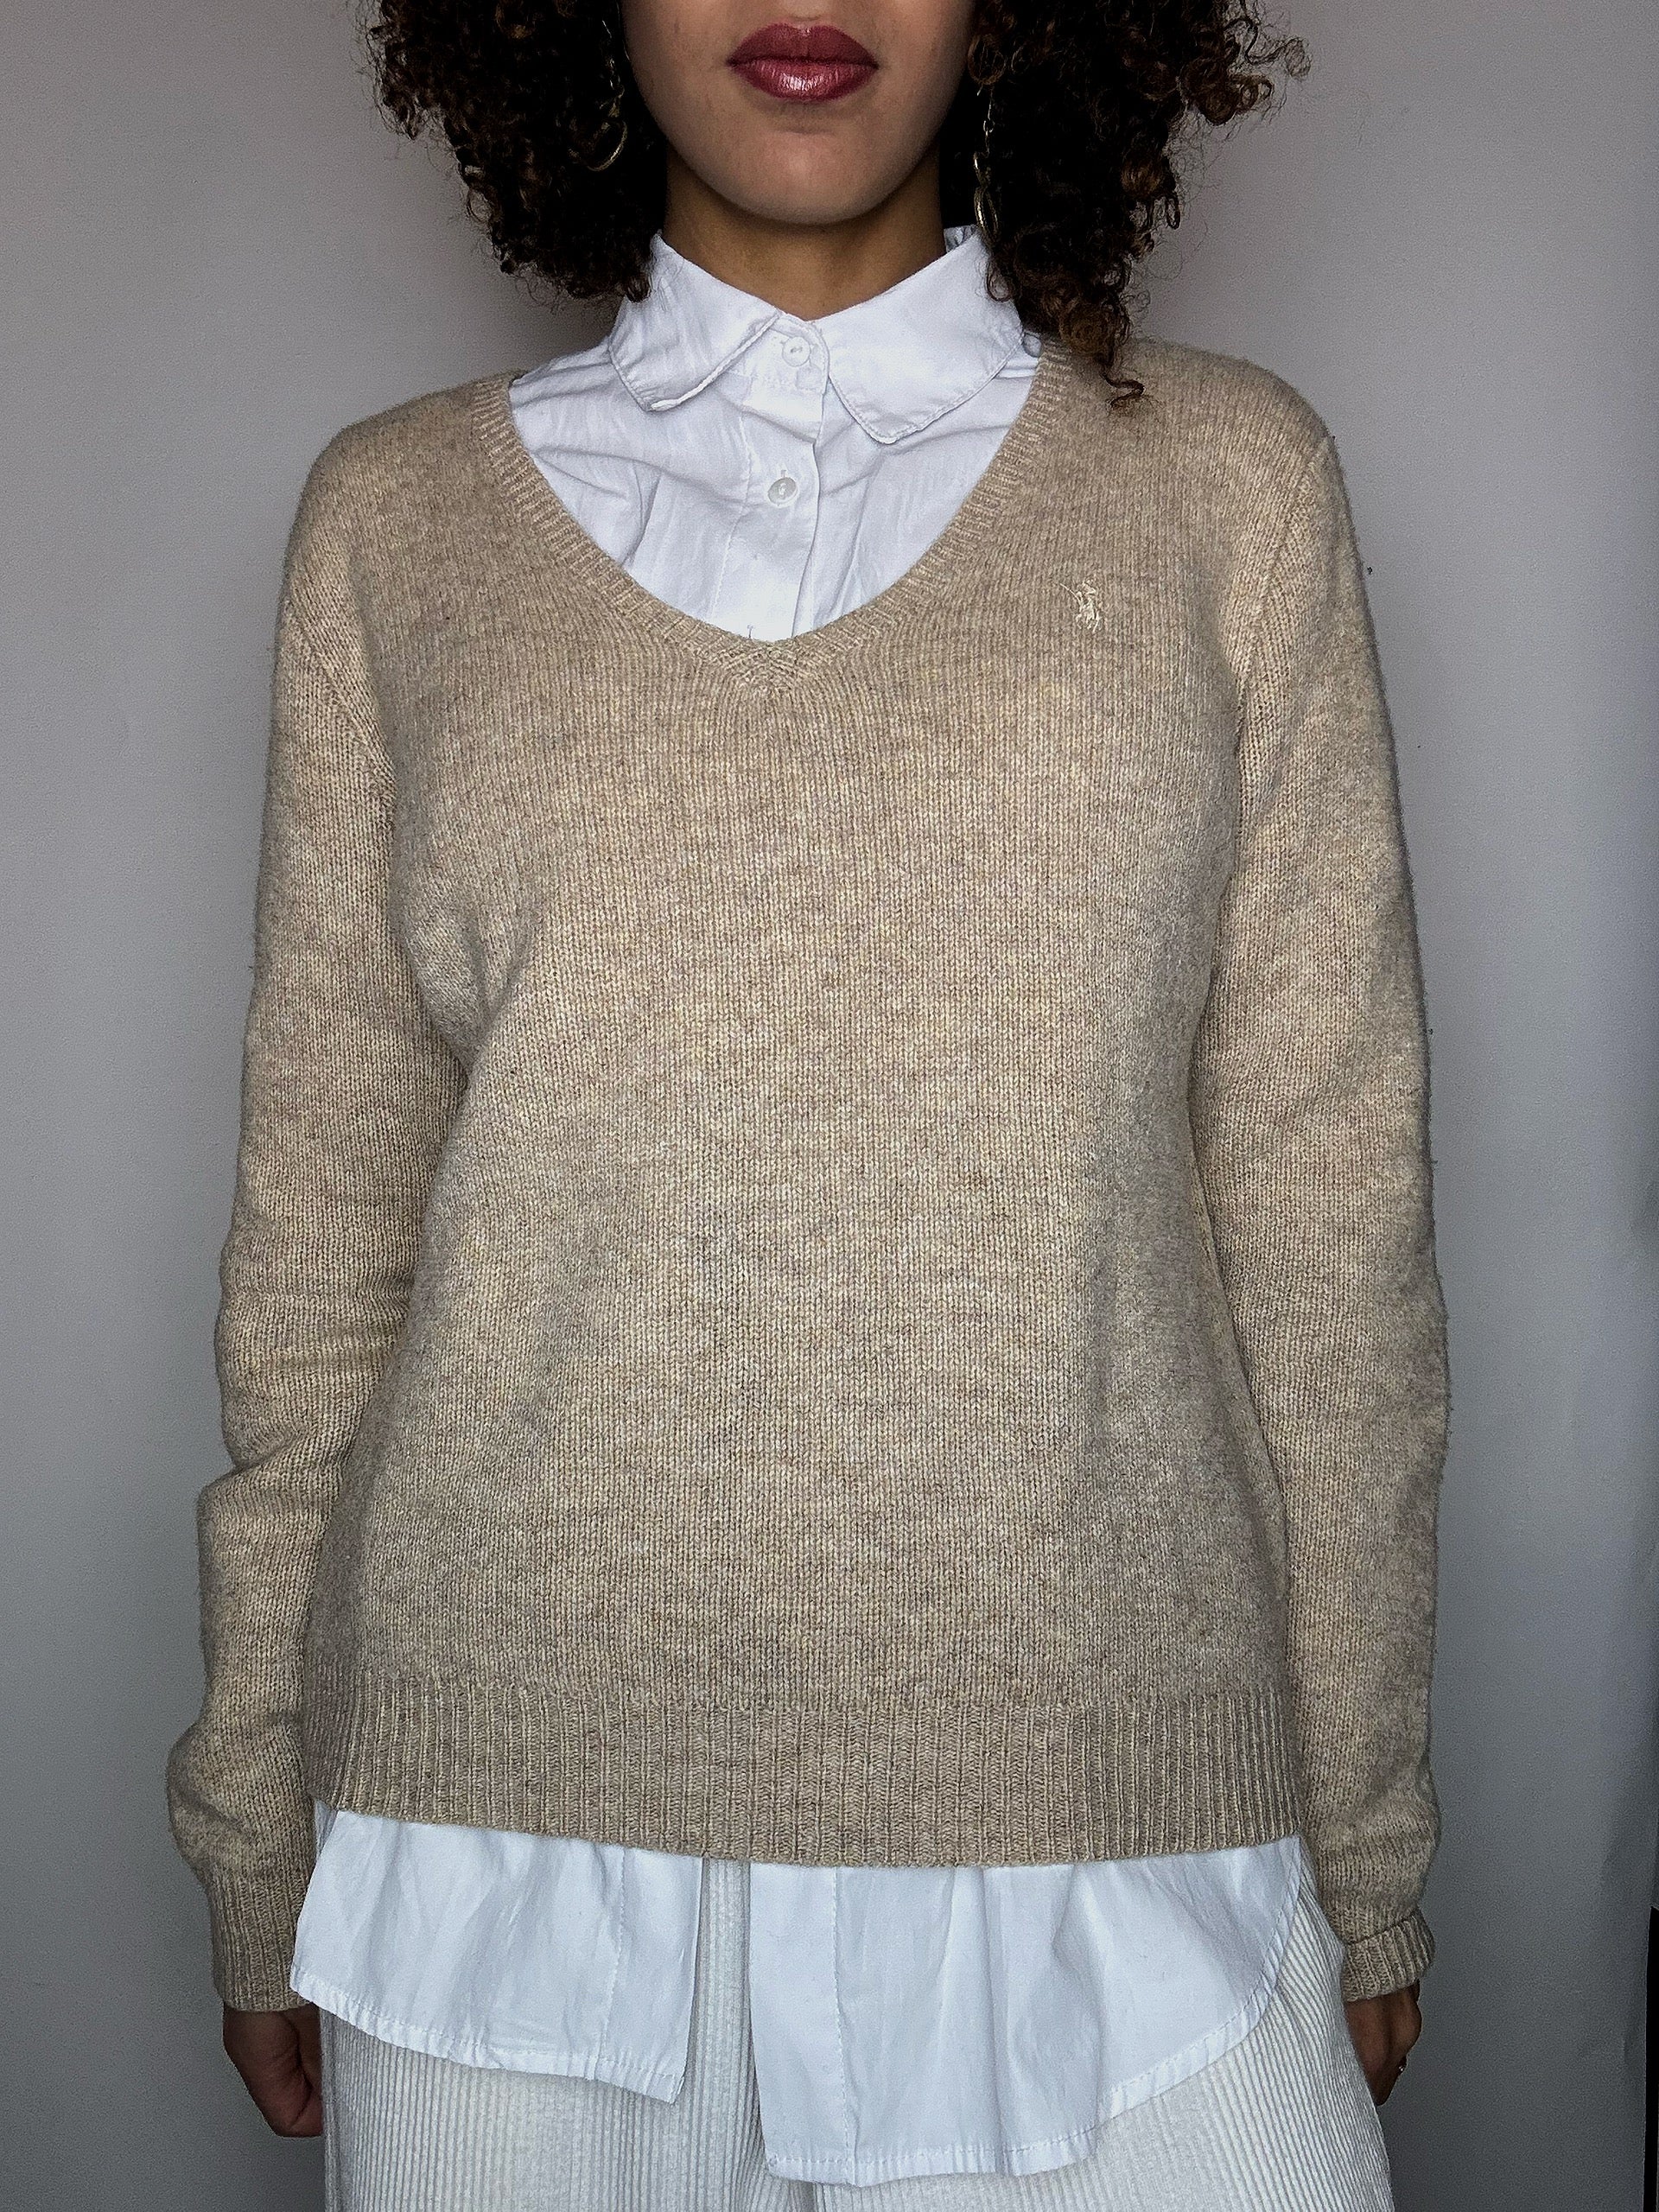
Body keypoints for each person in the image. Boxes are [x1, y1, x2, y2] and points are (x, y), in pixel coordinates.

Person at [167, 0, 1450, 2203]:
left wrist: (1366, 1840)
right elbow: (318, 1249)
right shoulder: (394, 527)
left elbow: (1332, 1227)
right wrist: (256, 1819)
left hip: (1106, 1809)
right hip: (499, 1859)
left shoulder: (1231, 488)